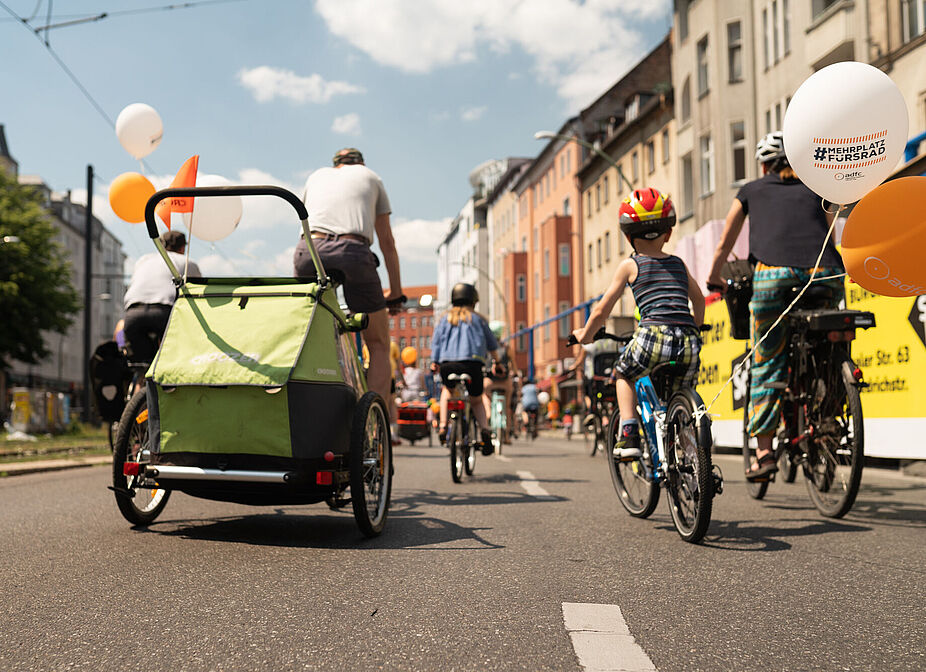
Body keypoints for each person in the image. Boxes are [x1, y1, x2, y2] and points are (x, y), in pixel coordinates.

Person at [706, 131, 845, 481]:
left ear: (765, 164)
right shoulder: (818, 186)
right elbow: (832, 231)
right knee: (832, 342)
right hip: (824, 274)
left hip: (774, 276)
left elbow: (726, 239)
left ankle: (764, 453)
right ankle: (829, 412)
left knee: (767, 363)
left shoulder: (751, 189)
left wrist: (714, 277)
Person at [572, 187, 704, 460]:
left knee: (623, 373)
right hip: (688, 341)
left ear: (627, 236)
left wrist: (586, 334)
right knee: (682, 395)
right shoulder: (678, 264)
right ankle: (693, 462)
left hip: (652, 335)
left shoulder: (631, 266)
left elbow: (603, 307)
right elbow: (699, 300)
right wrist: (697, 328)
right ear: (668, 233)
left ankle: (629, 434)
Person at [294, 147, 403, 411]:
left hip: (310, 251)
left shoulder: (316, 176)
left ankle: (306, 401)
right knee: (377, 344)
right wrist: (396, 293)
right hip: (353, 251)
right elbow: (387, 242)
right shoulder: (371, 176)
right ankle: (374, 420)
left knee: (303, 332)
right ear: (361, 163)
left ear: (335, 165)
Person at [429, 283, 500, 455]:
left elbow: (436, 343)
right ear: (473, 301)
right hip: (473, 364)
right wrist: (498, 363)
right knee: (476, 399)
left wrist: (435, 361)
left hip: (448, 364)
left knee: (447, 390)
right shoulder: (478, 319)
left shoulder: (444, 319)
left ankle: (444, 426)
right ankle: (484, 430)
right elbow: (492, 345)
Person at [122, 230, 201, 365]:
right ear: (182, 248)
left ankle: (141, 381)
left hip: (133, 314)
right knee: (174, 355)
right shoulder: (187, 263)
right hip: (163, 311)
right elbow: (198, 293)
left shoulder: (144, 259)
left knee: (143, 361)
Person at [481, 321, 514, 444]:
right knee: (507, 407)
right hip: (504, 381)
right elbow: (513, 366)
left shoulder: (486, 348)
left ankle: (488, 411)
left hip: (490, 382)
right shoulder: (506, 347)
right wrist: (514, 373)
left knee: (483, 394)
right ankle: (506, 437)